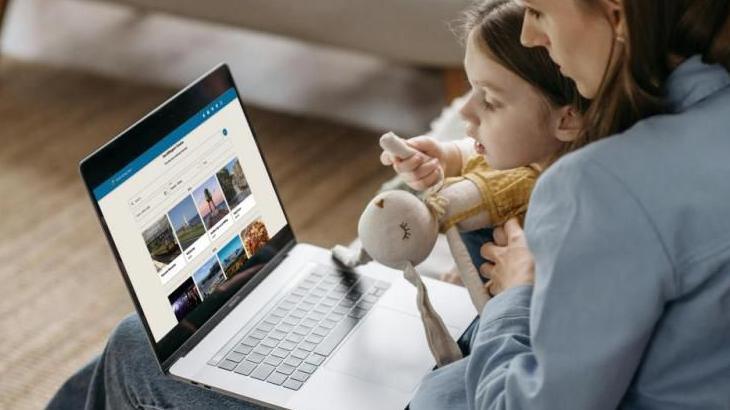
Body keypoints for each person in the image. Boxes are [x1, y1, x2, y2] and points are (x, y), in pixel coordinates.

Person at [408, 0, 730, 408]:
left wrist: (514, 296)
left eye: (538, 11)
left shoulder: (599, 187)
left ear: (615, 14)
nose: (529, 35)